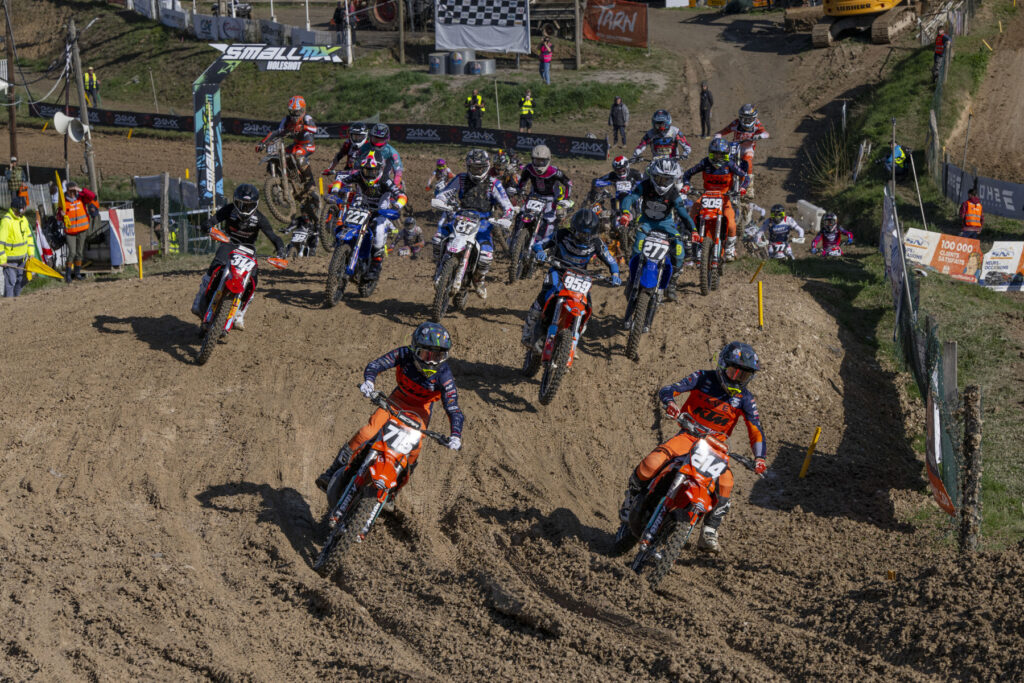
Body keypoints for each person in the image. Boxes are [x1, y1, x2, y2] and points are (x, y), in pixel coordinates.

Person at [617, 342, 767, 553]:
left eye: (744, 376)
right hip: (688, 436)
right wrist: (670, 402)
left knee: (726, 483)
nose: (737, 379)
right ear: (722, 365)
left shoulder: (745, 398)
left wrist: (759, 458)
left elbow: (756, 430)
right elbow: (670, 389)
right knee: (652, 463)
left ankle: (709, 531)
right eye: (734, 372)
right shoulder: (703, 377)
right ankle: (631, 498)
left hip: (715, 448)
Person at [315, 321, 464, 494]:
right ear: (415, 350)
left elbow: (453, 409)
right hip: (396, 401)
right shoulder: (404, 354)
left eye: (437, 356)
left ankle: (392, 495)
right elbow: (376, 365)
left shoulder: (445, 376)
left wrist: (456, 435)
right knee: (367, 433)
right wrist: (369, 381)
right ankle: (332, 471)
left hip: (419, 413)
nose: (431, 362)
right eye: (426, 354)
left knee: (413, 453)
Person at [521, 209, 621, 347]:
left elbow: (611, 262)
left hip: (580, 278)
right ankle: (527, 333)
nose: (584, 237)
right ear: (573, 229)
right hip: (559, 271)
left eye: (588, 234)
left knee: (587, 307)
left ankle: (571, 342)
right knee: (544, 297)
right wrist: (540, 252)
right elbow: (539, 243)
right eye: (581, 233)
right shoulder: (561, 234)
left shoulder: (596, 242)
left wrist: (615, 275)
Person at [192, 184, 285, 329]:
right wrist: (207, 226)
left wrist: (281, 251)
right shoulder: (229, 209)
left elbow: (274, 237)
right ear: (235, 201)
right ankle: (199, 298)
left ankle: (240, 313)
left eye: (249, 205)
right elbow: (212, 220)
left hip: (248, 249)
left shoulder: (259, 218)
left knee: (253, 280)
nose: (244, 208)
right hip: (229, 242)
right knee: (216, 265)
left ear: (255, 205)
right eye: (241, 204)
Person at [431, 149, 514, 298]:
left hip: (483, 221)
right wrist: (441, 201)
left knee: (486, 255)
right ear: (468, 167)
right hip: (460, 216)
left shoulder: (493, 183)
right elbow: (444, 193)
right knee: (438, 239)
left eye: (480, 168)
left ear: (486, 167)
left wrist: (507, 217)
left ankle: (478, 279)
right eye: (474, 168)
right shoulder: (461, 178)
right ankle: (440, 265)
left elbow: (507, 205)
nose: (477, 171)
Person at [619, 157, 695, 302]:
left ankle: (671, 284)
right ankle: (631, 278)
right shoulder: (645, 185)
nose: (662, 182)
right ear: (653, 175)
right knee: (637, 248)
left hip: (666, 224)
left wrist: (694, 231)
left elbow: (684, 215)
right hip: (646, 222)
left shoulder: (673, 193)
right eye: (659, 178)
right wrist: (625, 212)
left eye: (666, 179)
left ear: (672, 179)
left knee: (679, 252)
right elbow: (630, 198)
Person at [334, 151, 408, 282]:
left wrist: (396, 206)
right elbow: (341, 180)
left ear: (379, 169)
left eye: (372, 171)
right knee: (346, 222)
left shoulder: (385, 180)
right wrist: (335, 190)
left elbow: (401, 195)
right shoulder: (358, 175)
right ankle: (341, 249)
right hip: (361, 207)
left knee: (378, 233)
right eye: (366, 170)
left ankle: (375, 267)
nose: (368, 173)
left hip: (380, 211)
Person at [681, 137, 750, 263]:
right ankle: (690, 242)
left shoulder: (730, 164)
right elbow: (687, 174)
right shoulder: (705, 163)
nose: (718, 158)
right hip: (706, 195)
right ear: (710, 153)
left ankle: (729, 249)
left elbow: (745, 177)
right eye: (715, 154)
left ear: (726, 155)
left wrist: (742, 188)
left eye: (721, 155)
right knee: (692, 214)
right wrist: (686, 185)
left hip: (724, 197)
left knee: (731, 222)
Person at [257, 95, 318, 194]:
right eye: (292, 112)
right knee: (278, 156)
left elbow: (315, 129)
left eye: (297, 112)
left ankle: (310, 183)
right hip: (295, 145)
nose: (294, 115)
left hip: (308, 145)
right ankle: (285, 179)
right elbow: (277, 132)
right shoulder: (286, 120)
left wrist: (303, 127)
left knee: (298, 155)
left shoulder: (307, 118)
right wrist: (263, 143)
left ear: (302, 110)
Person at [516, 144, 573, 244]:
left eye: (542, 161)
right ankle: (515, 237)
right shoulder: (529, 168)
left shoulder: (554, 171)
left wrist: (566, 199)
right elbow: (523, 181)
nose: (539, 164)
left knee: (549, 221)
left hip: (551, 199)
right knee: (521, 214)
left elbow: (568, 183)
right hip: (534, 196)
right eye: (536, 161)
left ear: (548, 160)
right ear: (532, 159)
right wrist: (519, 189)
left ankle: (542, 244)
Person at [58, 180, 100, 282]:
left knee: (79, 253)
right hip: (70, 232)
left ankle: (77, 274)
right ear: (67, 191)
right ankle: (68, 275)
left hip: (82, 230)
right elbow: (58, 217)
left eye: (74, 191)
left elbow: (92, 196)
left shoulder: (81, 197)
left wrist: (80, 189)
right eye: (70, 191)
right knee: (72, 252)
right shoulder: (63, 201)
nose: (72, 193)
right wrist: (61, 215)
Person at [714, 103, 769, 176]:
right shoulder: (736, 123)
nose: (747, 121)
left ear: (754, 117)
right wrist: (718, 135)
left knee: (747, 161)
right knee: (726, 160)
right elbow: (724, 130)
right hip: (735, 145)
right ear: (740, 117)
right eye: (744, 118)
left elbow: (766, 133)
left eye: (749, 119)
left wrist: (759, 136)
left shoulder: (757, 123)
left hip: (748, 147)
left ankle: (749, 179)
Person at [0, 197, 35, 297]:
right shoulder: (6, 221)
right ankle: (9, 303)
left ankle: (17, 301)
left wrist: (31, 253)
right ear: (19, 208)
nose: (25, 209)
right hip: (10, 261)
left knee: (21, 280)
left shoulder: (24, 220)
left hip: (22, 259)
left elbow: (29, 237)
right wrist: (2, 260)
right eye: (24, 207)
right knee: (11, 282)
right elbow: (0, 242)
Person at [354, 123, 404, 189]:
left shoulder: (391, 151)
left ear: (387, 139)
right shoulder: (364, 148)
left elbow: (398, 170)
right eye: (375, 139)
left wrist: (396, 184)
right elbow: (356, 165)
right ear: (370, 137)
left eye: (380, 140)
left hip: (384, 178)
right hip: (366, 176)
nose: (377, 143)